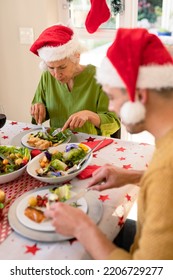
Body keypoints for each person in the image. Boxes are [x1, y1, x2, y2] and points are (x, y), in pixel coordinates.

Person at [45, 28, 173, 259]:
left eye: (112, 98)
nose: (111, 108)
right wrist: (133, 176)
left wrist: (81, 228)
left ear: (140, 96)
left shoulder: (167, 169)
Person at [29, 23, 120, 137]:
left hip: (91, 146)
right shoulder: (47, 76)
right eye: (51, 68)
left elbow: (113, 123)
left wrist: (89, 115)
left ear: (76, 57)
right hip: (57, 145)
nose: (56, 75)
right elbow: (38, 115)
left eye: (62, 67)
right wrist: (38, 109)